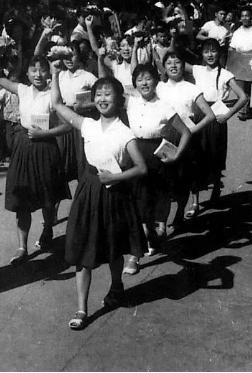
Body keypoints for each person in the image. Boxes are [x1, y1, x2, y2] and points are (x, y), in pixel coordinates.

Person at [51, 70, 147, 330]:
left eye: (109, 94)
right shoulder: (88, 125)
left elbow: (141, 168)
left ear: (119, 100)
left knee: (113, 247)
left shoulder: (125, 133)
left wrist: (117, 177)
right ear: (94, 99)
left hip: (114, 194)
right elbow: (58, 105)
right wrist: (54, 73)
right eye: (99, 95)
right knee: (83, 250)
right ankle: (82, 308)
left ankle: (116, 289)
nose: (103, 99)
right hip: (88, 192)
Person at [0, 53, 71, 263]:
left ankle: (47, 230)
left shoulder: (52, 94)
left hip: (45, 148)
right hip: (24, 147)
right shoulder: (22, 90)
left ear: (48, 72)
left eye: (42, 69)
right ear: (26, 73)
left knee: (47, 198)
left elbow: (67, 125)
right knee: (22, 199)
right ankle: (22, 247)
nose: (38, 74)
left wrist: (44, 134)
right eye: (33, 69)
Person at [124, 63, 192, 275]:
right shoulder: (130, 102)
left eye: (148, 78)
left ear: (156, 81)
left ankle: (152, 235)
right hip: (135, 156)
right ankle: (135, 256)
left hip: (156, 158)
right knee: (135, 206)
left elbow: (186, 132)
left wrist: (177, 155)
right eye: (140, 79)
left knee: (153, 204)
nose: (144, 83)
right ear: (135, 83)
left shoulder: (165, 106)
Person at [157, 51, 215, 223]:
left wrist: (192, 131)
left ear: (184, 66)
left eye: (177, 62)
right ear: (164, 67)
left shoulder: (192, 88)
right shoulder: (159, 88)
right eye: (169, 63)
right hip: (164, 138)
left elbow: (210, 115)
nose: (173, 66)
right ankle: (161, 223)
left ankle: (180, 211)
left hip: (185, 138)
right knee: (163, 181)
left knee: (183, 179)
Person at [192, 38, 248, 202]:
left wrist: (228, 115)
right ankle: (195, 202)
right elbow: (176, 61)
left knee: (215, 155)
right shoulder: (197, 69)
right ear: (201, 54)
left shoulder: (225, 74)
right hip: (200, 115)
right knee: (196, 156)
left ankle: (216, 185)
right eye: (206, 51)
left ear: (219, 53)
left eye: (213, 51)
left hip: (217, 117)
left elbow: (243, 97)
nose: (210, 55)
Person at [55, 42, 98, 181]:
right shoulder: (59, 76)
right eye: (65, 56)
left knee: (81, 158)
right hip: (63, 119)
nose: (68, 59)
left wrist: (86, 105)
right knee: (63, 157)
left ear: (78, 56)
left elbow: (102, 96)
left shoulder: (87, 76)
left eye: (72, 55)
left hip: (80, 120)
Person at [229, 7, 252, 120]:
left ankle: (247, 109)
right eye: (242, 16)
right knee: (240, 88)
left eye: (247, 16)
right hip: (240, 61)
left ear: (251, 17)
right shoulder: (237, 32)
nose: (245, 18)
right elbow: (232, 48)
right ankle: (244, 110)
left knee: (249, 87)